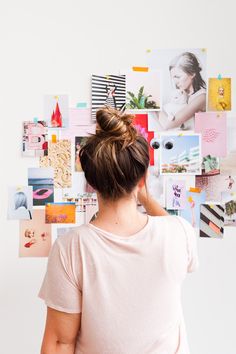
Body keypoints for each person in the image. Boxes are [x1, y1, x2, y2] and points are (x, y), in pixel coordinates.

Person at [39, 107, 199, 354]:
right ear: (142, 179)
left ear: (91, 183)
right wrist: (144, 196)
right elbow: (170, 226)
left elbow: (61, 343)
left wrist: (139, 185)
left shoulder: (71, 247)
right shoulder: (178, 232)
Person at [157, 51, 206, 131]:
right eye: (173, 77)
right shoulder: (180, 94)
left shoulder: (201, 97)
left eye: (178, 77)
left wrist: (155, 105)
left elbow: (167, 124)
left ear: (192, 74)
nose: (175, 82)